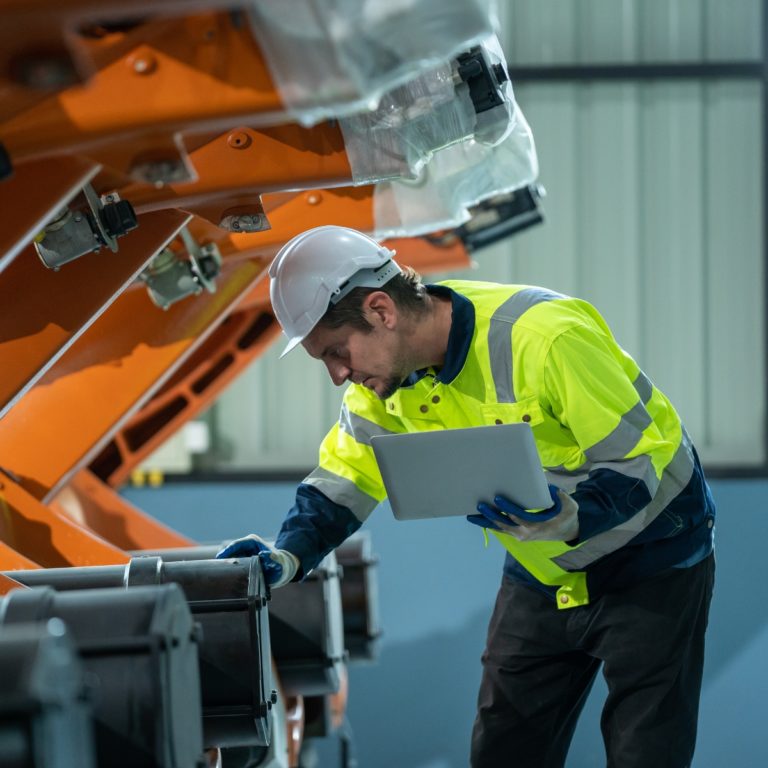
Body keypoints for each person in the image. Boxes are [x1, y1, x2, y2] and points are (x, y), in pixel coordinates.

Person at [218, 224, 716, 768]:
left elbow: (643, 455)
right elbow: (344, 479)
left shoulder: (544, 337)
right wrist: (288, 556)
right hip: (544, 571)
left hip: (654, 559)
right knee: (503, 748)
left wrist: (573, 516)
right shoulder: (380, 390)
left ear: (382, 310)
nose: (339, 376)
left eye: (337, 352)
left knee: (645, 749)